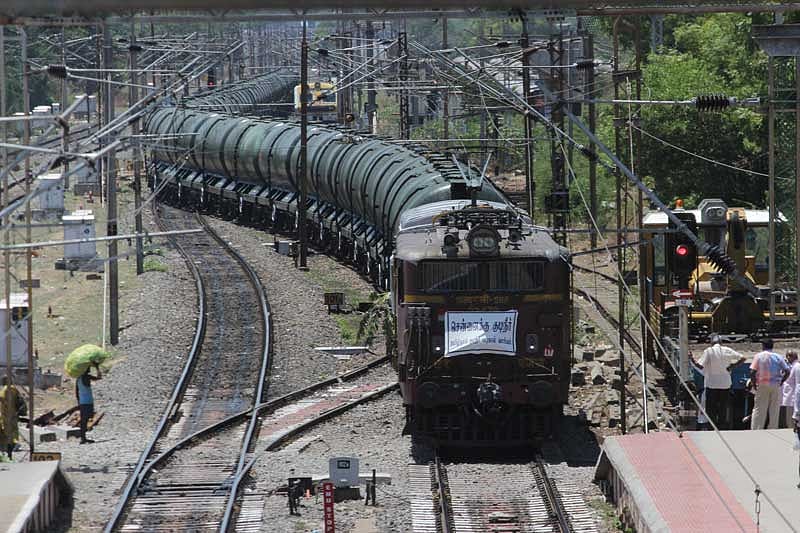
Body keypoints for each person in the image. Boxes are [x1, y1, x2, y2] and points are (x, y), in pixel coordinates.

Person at [690, 334, 745, 429]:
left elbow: (700, 366)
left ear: (712, 342)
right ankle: (722, 427)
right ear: (721, 342)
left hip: (712, 384)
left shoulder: (708, 351)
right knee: (723, 408)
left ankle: (712, 428)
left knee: (711, 409)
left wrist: (692, 359)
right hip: (725, 384)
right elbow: (743, 358)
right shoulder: (727, 350)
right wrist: (732, 366)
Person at [750, 338, 790, 430]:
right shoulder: (778, 356)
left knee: (759, 408)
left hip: (762, 384)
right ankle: (773, 427)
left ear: (763, 346)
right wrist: (782, 381)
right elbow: (787, 371)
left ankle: (756, 428)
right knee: (774, 408)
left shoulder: (758, 356)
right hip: (775, 384)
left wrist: (753, 384)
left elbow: (752, 371)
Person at [0, 376, 26, 460]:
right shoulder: (13, 389)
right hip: (12, 414)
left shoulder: (6, 390)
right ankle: (12, 445)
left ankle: (10, 447)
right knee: (13, 430)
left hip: (6, 415)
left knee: (7, 432)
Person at [75, 364, 101, 444]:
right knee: (86, 420)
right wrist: (97, 367)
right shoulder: (87, 377)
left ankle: (83, 438)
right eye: (88, 368)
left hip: (83, 402)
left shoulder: (78, 379)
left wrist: (79, 402)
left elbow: (76, 392)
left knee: (84, 420)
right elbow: (99, 377)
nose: (89, 369)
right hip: (88, 402)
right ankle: (83, 438)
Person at [781, 351, 799, 428]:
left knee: (792, 420)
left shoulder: (797, 366)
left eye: (789, 356)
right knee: (789, 420)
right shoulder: (790, 366)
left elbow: (798, 384)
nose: (787, 358)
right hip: (789, 398)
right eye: (787, 356)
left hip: (794, 398)